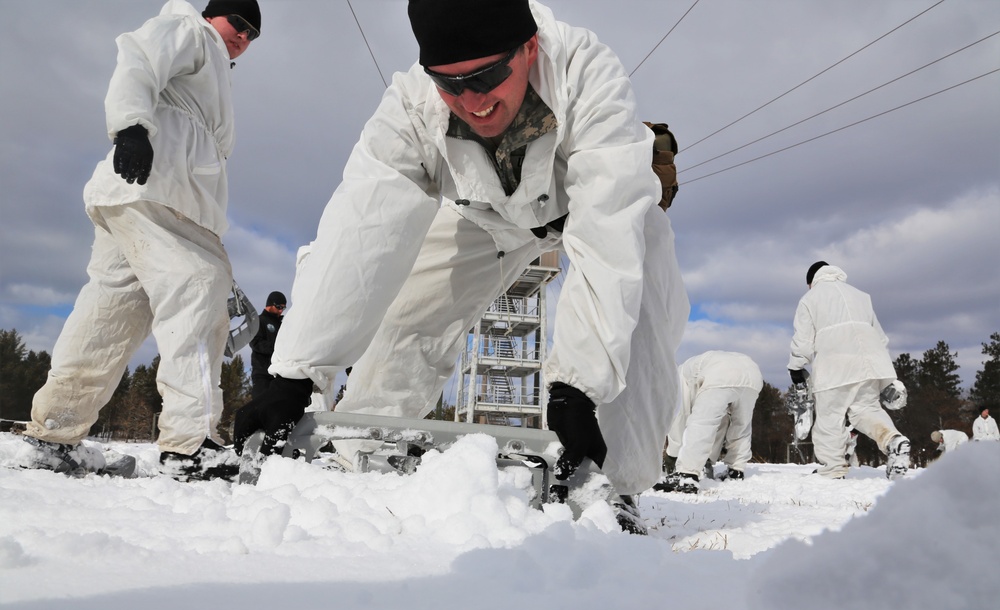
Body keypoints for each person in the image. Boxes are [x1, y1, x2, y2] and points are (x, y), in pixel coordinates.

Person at [235, 0, 689, 526]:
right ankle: (363, 452)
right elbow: (361, 230)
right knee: (408, 309)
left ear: (529, 48)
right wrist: (295, 371)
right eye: (450, 84)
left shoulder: (586, 74)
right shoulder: (412, 107)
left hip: (592, 208)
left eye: (488, 76)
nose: (472, 101)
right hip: (485, 213)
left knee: (635, 304)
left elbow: (605, 230)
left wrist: (577, 388)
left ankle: (610, 483)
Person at [21, 0, 262, 481]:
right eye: (238, 23)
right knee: (199, 286)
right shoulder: (191, 32)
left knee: (110, 313)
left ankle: (54, 433)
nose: (244, 37)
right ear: (214, 15)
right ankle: (189, 445)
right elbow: (140, 58)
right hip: (161, 192)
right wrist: (132, 126)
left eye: (253, 34)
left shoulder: (213, 67)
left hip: (140, 198)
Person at [788, 261, 910, 480]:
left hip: (835, 364)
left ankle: (833, 469)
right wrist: (885, 376)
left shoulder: (810, 298)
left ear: (811, 281)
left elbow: (804, 340)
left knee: (829, 417)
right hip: (871, 363)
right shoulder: (861, 296)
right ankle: (893, 440)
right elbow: (880, 337)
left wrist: (796, 367)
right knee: (866, 409)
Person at [656, 351, 763, 494]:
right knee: (741, 425)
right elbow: (720, 423)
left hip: (722, 374)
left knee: (702, 422)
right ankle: (736, 470)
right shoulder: (692, 367)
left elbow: (681, 417)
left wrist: (672, 455)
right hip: (753, 375)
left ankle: (687, 475)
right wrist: (708, 459)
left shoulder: (678, 378)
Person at [250, 291, 286, 398]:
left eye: (283, 308)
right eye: (279, 307)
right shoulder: (259, 321)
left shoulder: (281, 325)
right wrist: (277, 349)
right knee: (261, 405)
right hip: (262, 374)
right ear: (270, 304)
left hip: (279, 374)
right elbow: (256, 343)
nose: (281, 310)